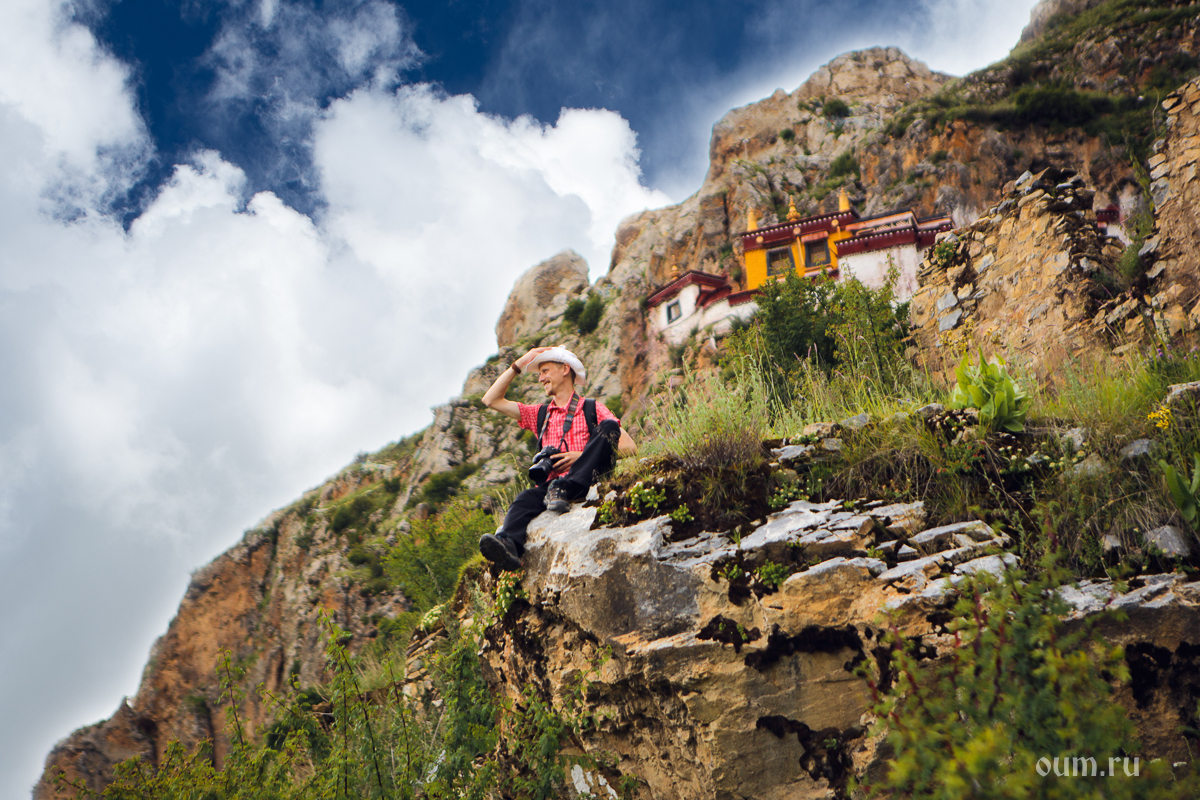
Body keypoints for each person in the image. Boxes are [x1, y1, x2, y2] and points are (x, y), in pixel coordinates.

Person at [477, 345, 636, 571]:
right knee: (523, 499)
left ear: (565, 369)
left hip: (588, 479)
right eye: (539, 373)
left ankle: (565, 486)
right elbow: (490, 400)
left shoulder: (592, 408)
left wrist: (581, 456)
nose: (540, 378)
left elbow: (630, 447)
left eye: (545, 371)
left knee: (609, 426)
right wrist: (519, 363)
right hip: (551, 488)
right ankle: (508, 546)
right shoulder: (540, 414)